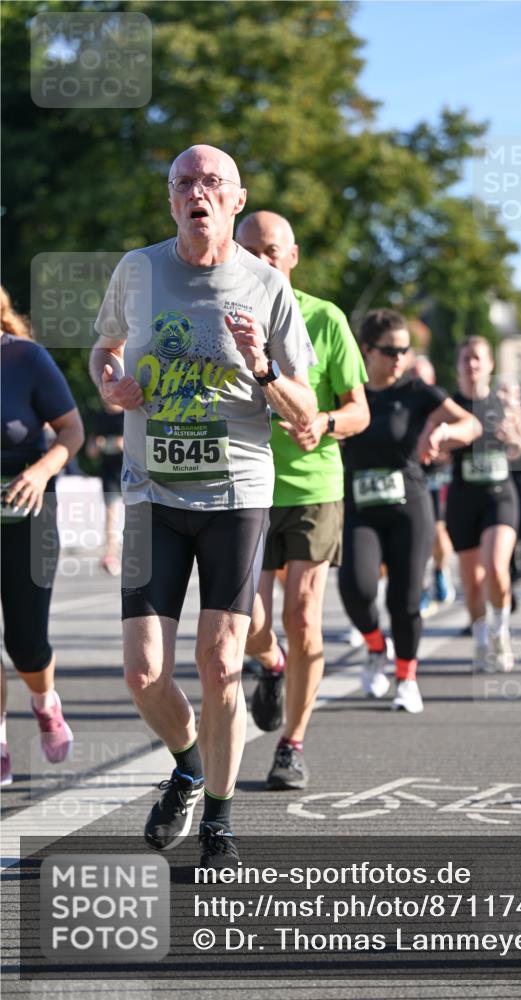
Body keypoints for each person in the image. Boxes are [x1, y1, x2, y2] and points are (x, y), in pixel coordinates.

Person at [89, 146, 317, 863]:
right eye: (183, 182)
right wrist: (109, 383)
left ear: (236, 200)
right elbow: (105, 347)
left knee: (220, 663)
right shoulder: (139, 269)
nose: (197, 192)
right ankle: (187, 764)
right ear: (170, 200)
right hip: (151, 491)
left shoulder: (265, 285)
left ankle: (218, 818)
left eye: (211, 182)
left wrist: (263, 369)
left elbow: (305, 409)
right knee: (142, 671)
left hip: (235, 494)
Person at [236, 211, 369, 790]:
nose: (261, 262)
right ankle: (272, 663)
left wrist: (327, 422)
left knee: (304, 616)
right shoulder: (222, 319)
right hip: (245, 484)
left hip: (314, 487)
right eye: (249, 251)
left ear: (291, 257)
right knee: (247, 621)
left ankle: (291, 744)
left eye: (271, 251)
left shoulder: (325, 317)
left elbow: (359, 409)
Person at [338, 310, 479, 713]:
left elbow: (471, 425)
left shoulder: (417, 390)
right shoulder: (349, 390)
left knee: (404, 598)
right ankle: (375, 646)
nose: (399, 358)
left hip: (410, 503)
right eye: (390, 350)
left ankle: (407, 678)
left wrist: (445, 432)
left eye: (404, 350)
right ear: (366, 350)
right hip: (359, 504)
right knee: (357, 588)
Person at [1, 285, 84, 786]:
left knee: (26, 642)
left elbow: (72, 430)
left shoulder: (26, 358)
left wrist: (42, 471)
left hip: (27, 512)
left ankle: (45, 701)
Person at [419, 337, 521, 673]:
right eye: (466, 359)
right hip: (463, 497)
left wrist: (514, 439)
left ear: (490, 364)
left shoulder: (504, 402)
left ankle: (500, 631)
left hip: (499, 493)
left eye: (478, 358)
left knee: (496, 566)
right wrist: (437, 451)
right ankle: (481, 639)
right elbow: (428, 448)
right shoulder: (448, 406)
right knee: (471, 581)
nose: (472, 365)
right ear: (458, 366)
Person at [410, 355, 456, 614]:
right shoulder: (402, 402)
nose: (417, 381)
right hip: (412, 477)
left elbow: (459, 436)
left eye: (422, 376)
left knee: (438, 534)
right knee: (417, 538)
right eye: (413, 375)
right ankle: (422, 588)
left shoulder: (440, 404)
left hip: (437, 476)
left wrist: (442, 449)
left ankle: (440, 570)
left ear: (432, 379)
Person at [86, 401, 124, 576]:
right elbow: (91, 450)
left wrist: (120, 443)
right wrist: (98, 445)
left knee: (136, 511)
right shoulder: (99, 417)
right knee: (111, 514)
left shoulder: (129, 414)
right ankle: (111, 554)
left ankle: (143, 551)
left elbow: (139, 442)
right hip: (108, 472)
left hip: (130, 471)